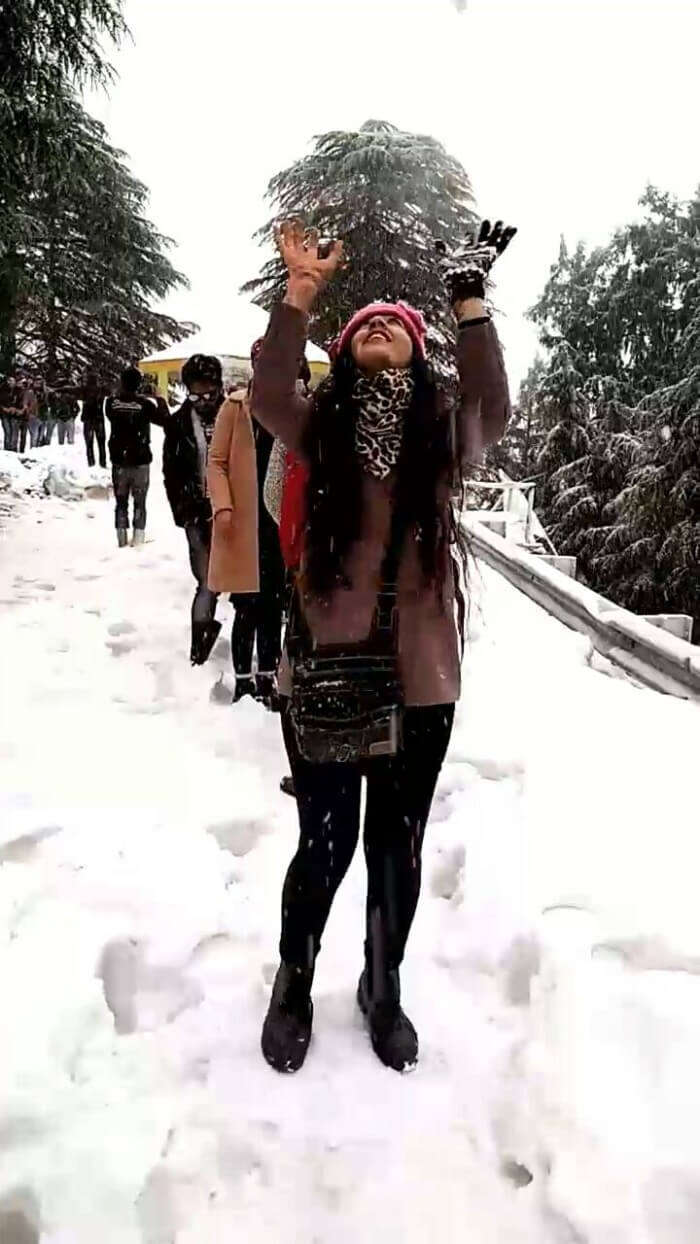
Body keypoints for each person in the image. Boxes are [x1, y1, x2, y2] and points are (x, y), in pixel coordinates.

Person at [251, 218, 515, 1074]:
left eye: (396, 324)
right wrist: (296, 297)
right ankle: (294, 981)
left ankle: (383, 982)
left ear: (417, 349)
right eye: (363, 323)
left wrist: (470, 302)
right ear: (343, 344)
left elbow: (493, 408)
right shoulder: (316, 430)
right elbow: (266, 393)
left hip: (422, 678)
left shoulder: (441, 443)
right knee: (322, 842)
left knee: (394, 845)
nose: (379, 328)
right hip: (327, 669)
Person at [208, 339, 288, 706]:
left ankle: (268, 676)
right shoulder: (235, 406)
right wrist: (222, 506)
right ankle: (242, 679)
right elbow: (217, 461)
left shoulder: (293, 410)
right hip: (243, 520)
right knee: (247, 604)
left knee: (274, 606)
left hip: (280, 522)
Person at [162, 353, 226, 665]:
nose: (201, 399)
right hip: (197, 512)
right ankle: (199, 647)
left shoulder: (237, 415)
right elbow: (170, 472)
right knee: (207, 581)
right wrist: (183, 512)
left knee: (244, 585)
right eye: (194, 393)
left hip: (235, 512)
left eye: (208, 392)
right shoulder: (178, 423)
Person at [104, 366, 158, 548]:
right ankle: (138, 537)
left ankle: (121, 536)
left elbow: (110, 415)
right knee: (140, 501)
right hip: (141, 459)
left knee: (121, 501)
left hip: (119, 459)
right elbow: (164, 419)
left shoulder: (111, 403)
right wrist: (158, 398)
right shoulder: (145, 405)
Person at [0, 375, 20, 451]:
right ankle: (7, 448)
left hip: (14, 414)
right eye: (10, 381)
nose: (12, 382)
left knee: (14, 432)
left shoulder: (17, 390)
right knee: (8, 432)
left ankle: (13, 448)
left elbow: (20, 401)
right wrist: (4, 409)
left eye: (13, 381)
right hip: (4, 414)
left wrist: (15, 408)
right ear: (7, 381)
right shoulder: (2, 389)